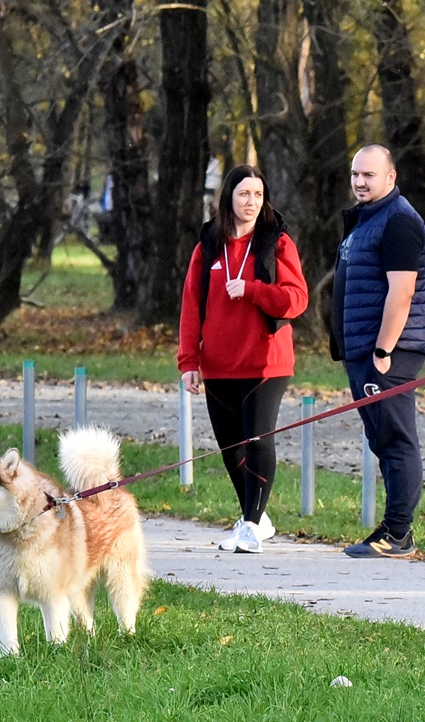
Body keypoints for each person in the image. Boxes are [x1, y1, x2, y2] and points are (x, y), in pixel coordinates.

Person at [178, 165, 309, 554]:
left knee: (257, 440)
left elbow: (296, 299)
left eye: (258, 195)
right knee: (230, 446)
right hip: (219, 364)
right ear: (229, 198)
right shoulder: (208, 246)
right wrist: (189, 361)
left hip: (266, 362)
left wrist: (253, 290)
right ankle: (256, 517)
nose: (251, 202)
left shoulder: (277, 243)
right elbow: (191, 306)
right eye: (243, 194)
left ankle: (251, 525)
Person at [331, 144, 425, 558]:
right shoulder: (367, 219)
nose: (359, 181)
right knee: (381, 439)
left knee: (395, 438)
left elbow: (402, 291)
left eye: (368, 175)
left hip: (389, 352)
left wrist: (383, 349)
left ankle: (398, 533)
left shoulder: (399, 221)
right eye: (355, 174)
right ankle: (393, 528)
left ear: (391, 177)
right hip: (363, 350)